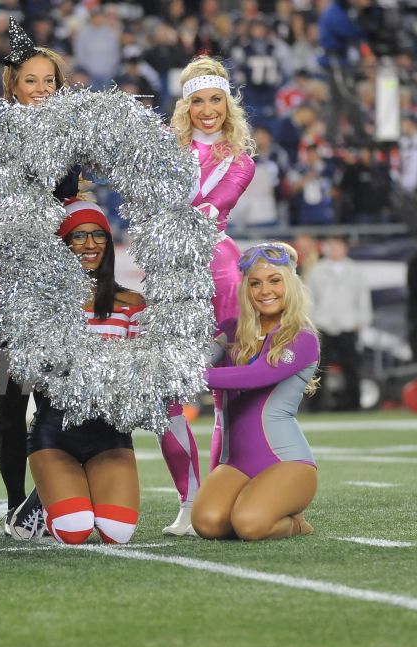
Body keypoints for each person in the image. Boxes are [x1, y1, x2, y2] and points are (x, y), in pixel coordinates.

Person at [0, 21, 79, 540]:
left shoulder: (69, 135)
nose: (42, 90)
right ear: (13, 87)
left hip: (57, 275)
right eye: (31, 82)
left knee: (54, 392)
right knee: (11, 394)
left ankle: (45, 499)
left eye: (49, 82)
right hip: (10, 273)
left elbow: (67, 192)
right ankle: (17, 502)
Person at [161, 55, 257, 536]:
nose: (207, 109)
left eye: (215, 99)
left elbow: (208, 209)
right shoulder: (164, 149)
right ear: (186, 105)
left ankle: (221, 496)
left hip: (217, 270)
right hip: (170, 269)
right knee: (166, 395)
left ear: (227, 102)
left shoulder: (239, 160)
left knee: (226, 393)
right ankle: (188, 501)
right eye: (197, 100)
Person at [28, 200, 143, 545]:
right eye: (78, 236)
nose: (90, 244)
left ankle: (62, 494)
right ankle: (41, 504)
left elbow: (141, 367)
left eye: (98, 236)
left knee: (117, 532)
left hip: (110, 435)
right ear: (62, 243)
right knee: (74, 530)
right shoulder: (42, 304)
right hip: (55, 433)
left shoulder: (131, 303)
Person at [191, 242, 318, 541]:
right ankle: (257, 501)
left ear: (291, 284)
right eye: (255, 283)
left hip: (288, 463)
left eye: (275, 281)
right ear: (245, 289)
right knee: (208, 524)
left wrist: (189, 376)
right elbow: (197, 358)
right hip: (237, 463)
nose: (265, 291)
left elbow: (254, 376)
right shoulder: (232, 329)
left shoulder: (302, 337)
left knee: (250, 525)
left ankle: (296, 523)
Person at [305, 236, 372, 412]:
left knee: (352, 367)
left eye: (338, 245)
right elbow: (310, 298)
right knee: (318, 369)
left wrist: (361, 321)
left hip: (348, 324)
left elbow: (363, 298)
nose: (334, 249)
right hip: (323, 324)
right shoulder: (317, 270)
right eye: (331, 245)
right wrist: (312, 322)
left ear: (345, 248)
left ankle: (354, 404)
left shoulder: (355, 270)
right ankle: (315, 406)